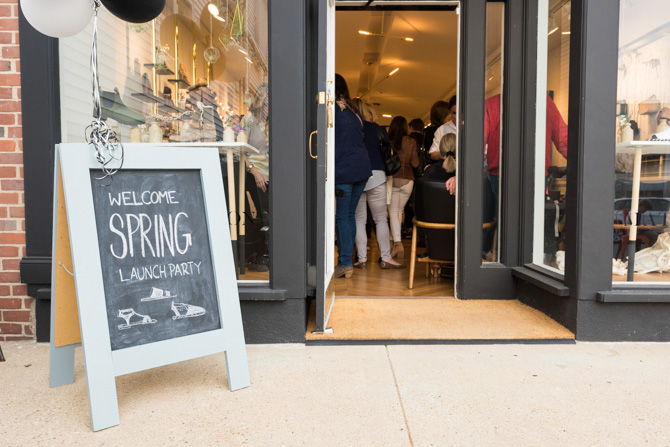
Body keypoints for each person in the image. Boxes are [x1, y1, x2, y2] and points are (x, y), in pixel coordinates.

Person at [351, 99, 404, 269]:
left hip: (357, 174)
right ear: (367, 112)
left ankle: (362, 259)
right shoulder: (377, 129)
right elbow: (386, 149)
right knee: (380, 218)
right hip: (377, 175)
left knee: (359, 219)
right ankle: (386, 257)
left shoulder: (352, 127)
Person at [333, 74, 372, 278]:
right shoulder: (352, 110)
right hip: (361, 168)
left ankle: (345, 263)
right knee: (349, 215)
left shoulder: (334, 109)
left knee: (342, 216)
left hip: (344, 169)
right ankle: (346, 261)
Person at [388, 116, 420, 259]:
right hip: (408, 180)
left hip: (393, 179)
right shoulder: (411, 141)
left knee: (393, 212)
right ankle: (392, 243)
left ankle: (397, 244)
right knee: (398, 211)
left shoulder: (389, 141)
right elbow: (415, 163)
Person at [429, 95, 457, 161]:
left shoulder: (474, 128)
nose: (457, 116)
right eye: (454, 113)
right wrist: (446, 153)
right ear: (450, 112)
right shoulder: (442, 129)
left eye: (461, 112)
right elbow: (433, 154)